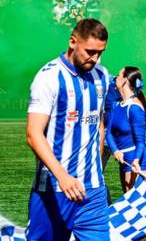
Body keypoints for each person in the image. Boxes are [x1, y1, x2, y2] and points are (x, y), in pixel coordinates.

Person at [26, 18, 112, 240]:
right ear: (73, 42)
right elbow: (34, 134)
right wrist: (62, 176)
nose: (95, 58)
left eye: (100, 52)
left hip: (93, 189)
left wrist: (99, 167)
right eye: (90, 51)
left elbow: (99, 124)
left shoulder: (102, 76)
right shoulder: (48, 77)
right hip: (54, 189)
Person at [106, 66, 146, 192]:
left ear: (124, 81)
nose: (115, 78)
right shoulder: (116, 104)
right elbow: (108, 132)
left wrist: (136, 160)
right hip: (123, 158)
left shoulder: (134, 108)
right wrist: (115, 150)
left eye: (118, 76)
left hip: (135, 159)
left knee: (137, 204)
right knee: (127, 196)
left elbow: (140, 141)